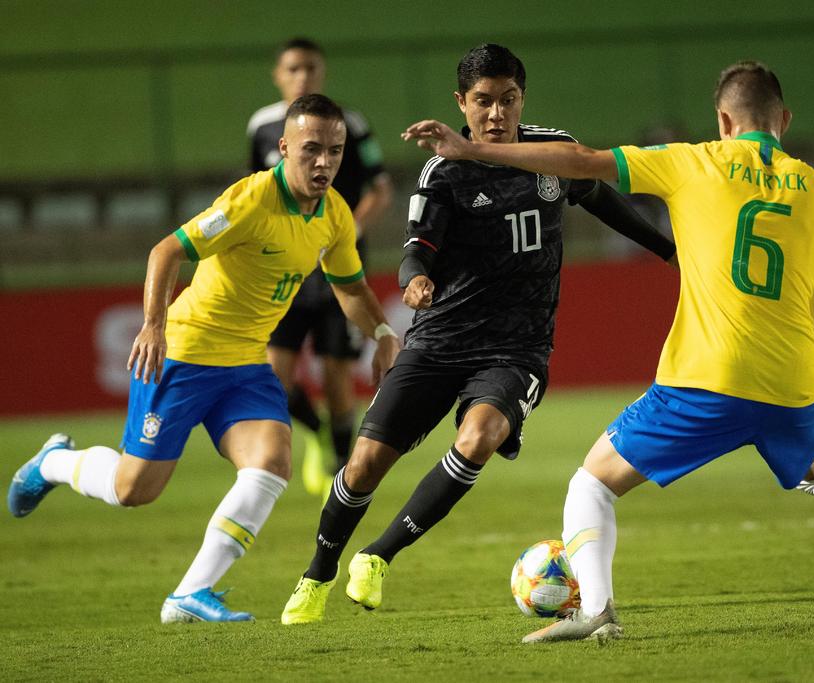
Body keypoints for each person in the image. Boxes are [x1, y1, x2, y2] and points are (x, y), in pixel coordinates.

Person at [401, 60, 814, 643]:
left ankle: (597, 612)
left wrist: (473, 148)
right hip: (791, 383)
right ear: (783, 121)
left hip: (706, 377)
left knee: (590, 486)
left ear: (723, 122)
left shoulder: (692, 163)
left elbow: (582, 161)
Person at [280, 43, 677, 625]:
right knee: (363, 464)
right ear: (461, 103)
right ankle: (317, 573)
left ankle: (379, 556)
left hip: (517, 348)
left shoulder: (552, 153)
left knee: (481, 435)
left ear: (522, 99)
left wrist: (670, 251)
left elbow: (603, 200)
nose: (497, 114)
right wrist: (414, 282)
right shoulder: (446, 170)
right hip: (440, 340)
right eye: (484, 102)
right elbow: (417, 251)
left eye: (508, 100)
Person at [7, 94, 400, 623]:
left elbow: (349, 286)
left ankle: (190, 594)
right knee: (133, 489)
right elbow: (166, 251)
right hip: (187, 355)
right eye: (311, 150)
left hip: (245, 365)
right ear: (283, 148)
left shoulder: (332, 214)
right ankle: (53, 462)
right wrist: (154, 324)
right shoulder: (250, 201)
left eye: (334, 151)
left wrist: (380, 331)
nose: (324, 162)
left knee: (272, 460)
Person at [248, 37, 395, 495]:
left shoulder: (348, 125)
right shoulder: (261, 127)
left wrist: (344, 231)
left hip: (336, 267)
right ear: (277, 74)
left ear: (322, 72)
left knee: (336, 374)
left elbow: (381, 188)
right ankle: (313, 432)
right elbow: (255, 190)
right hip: (284, 268)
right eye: (292, 69)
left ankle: (341, 463)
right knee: (273, 376)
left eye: (310, 68)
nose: (302, 76)